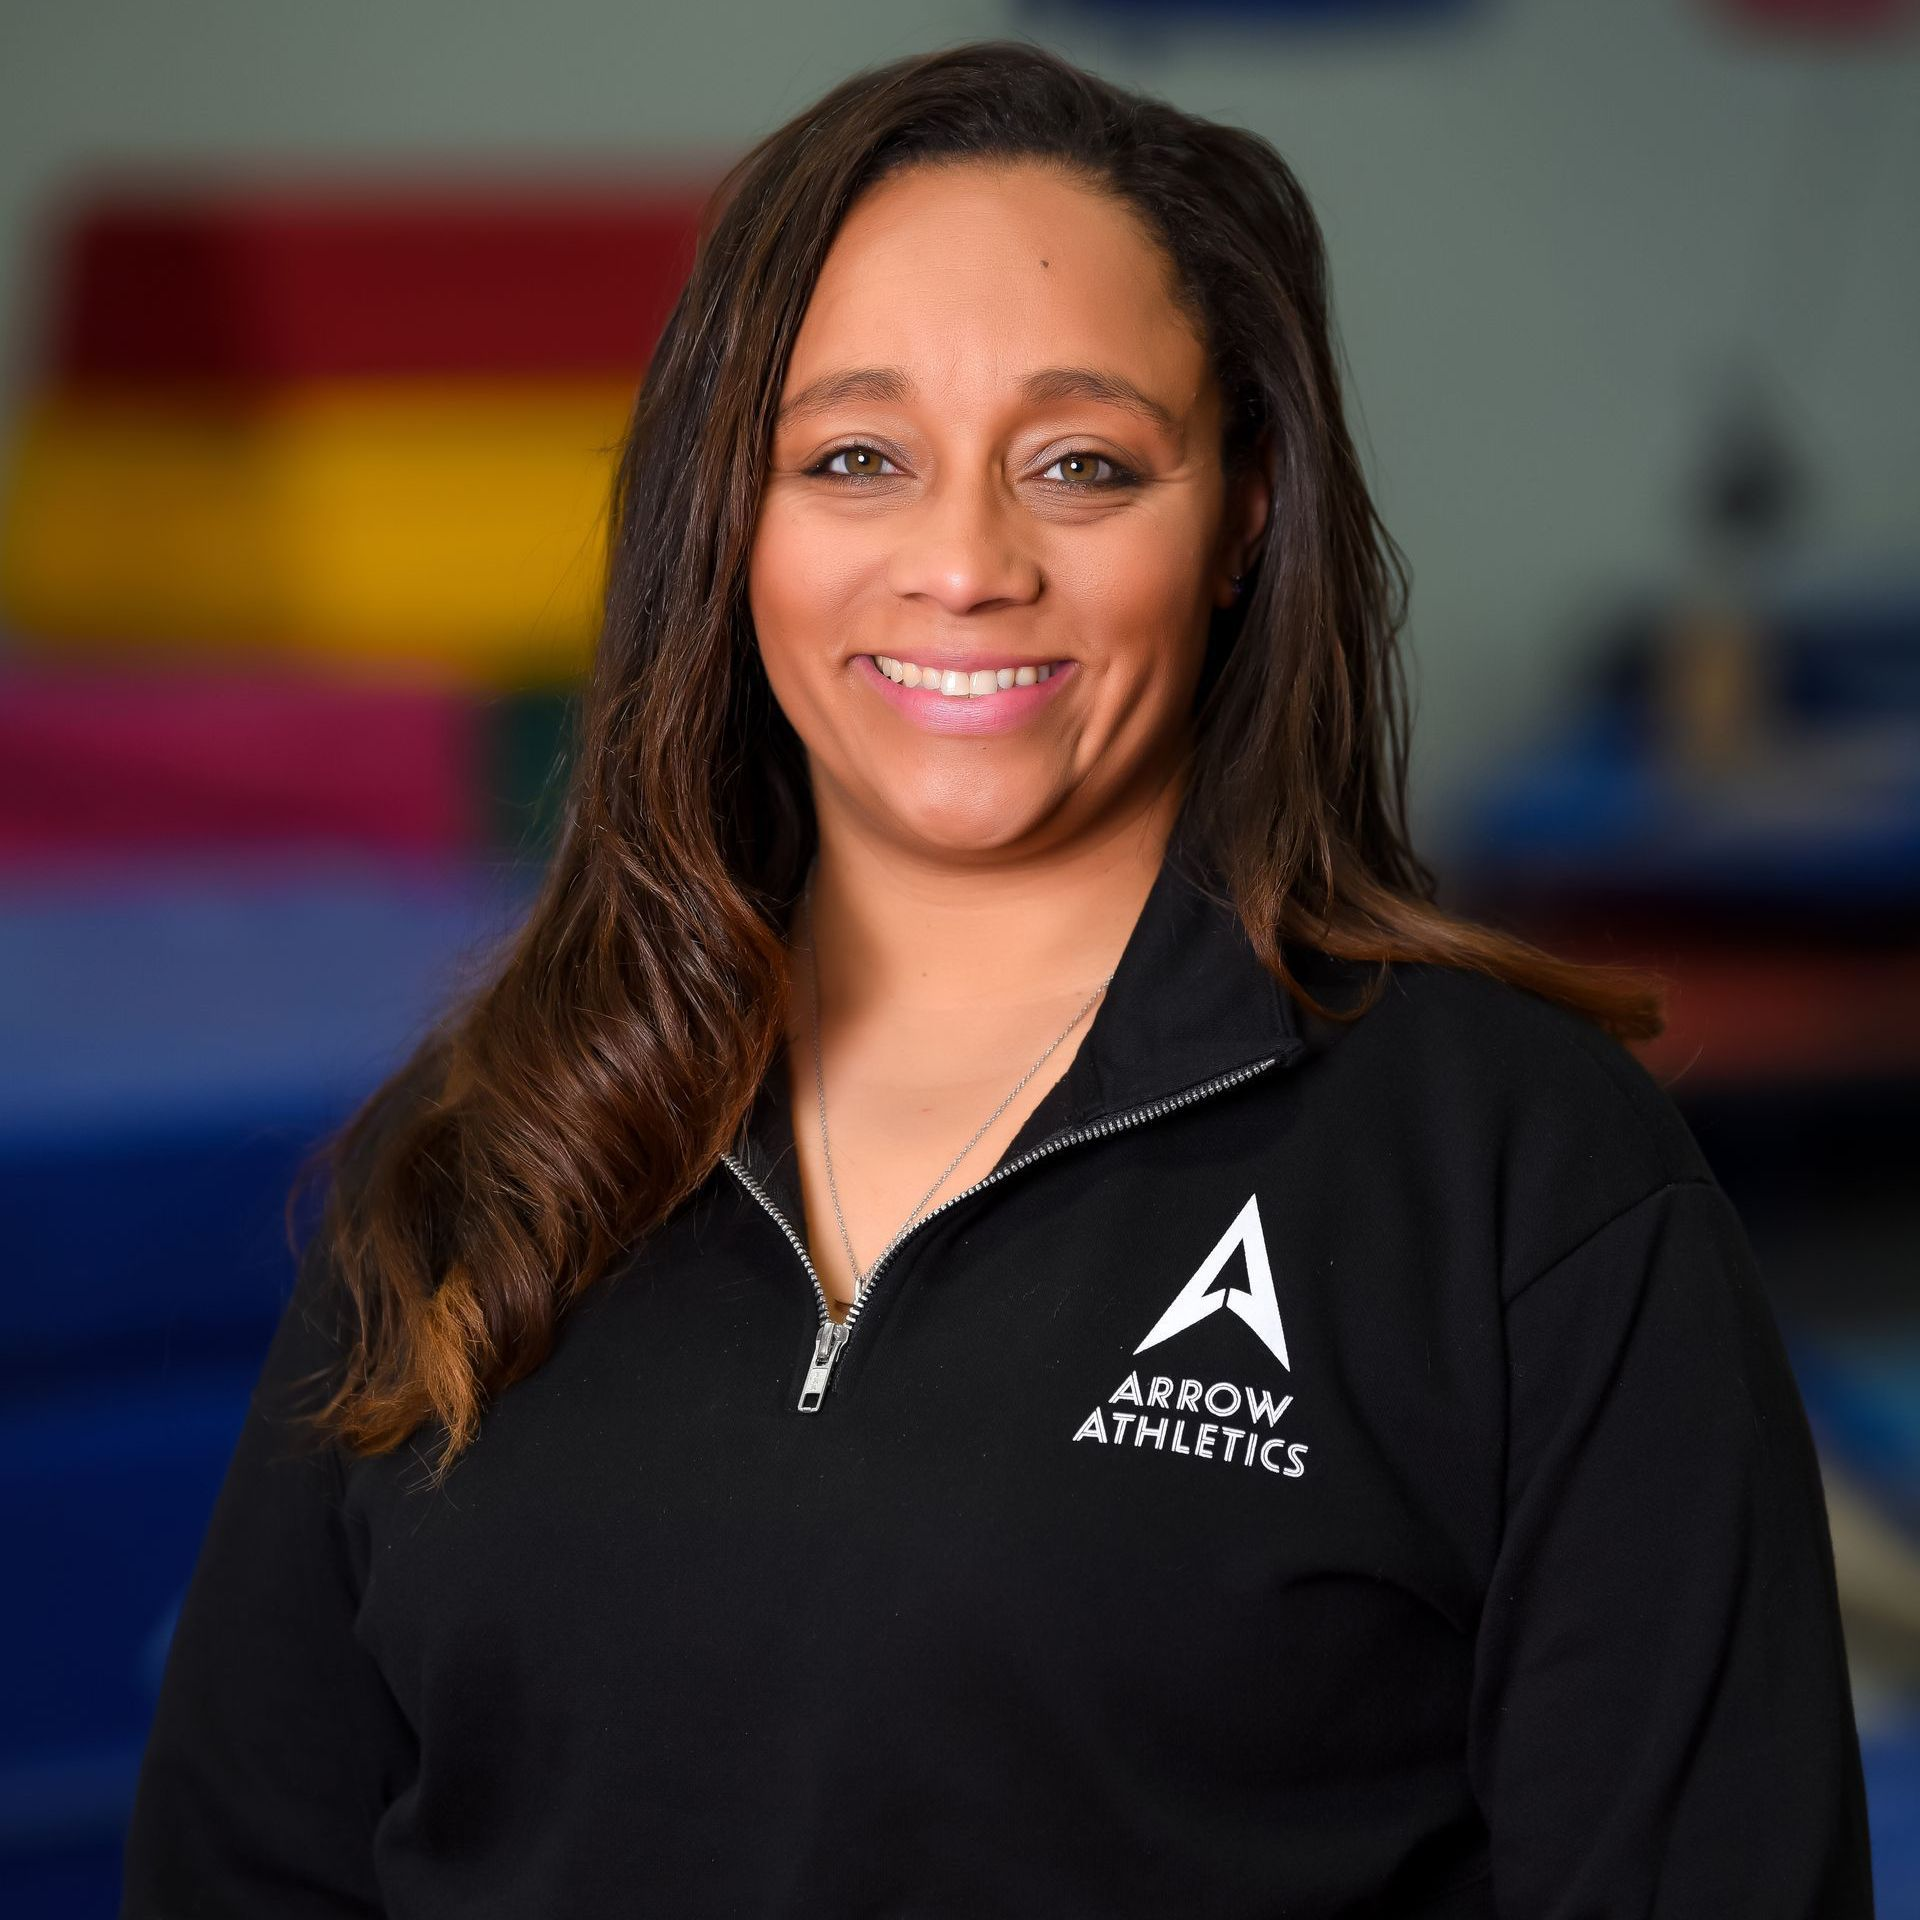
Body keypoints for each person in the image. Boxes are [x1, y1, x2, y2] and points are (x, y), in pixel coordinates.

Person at [120, 39, 1875, 1919]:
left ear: (1243, 520)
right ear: (731, 520)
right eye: (856, 457)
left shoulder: (1520, 1187)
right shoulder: (483, 1159)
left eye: (1082, 463)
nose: (964, 563)